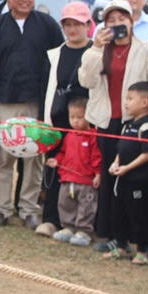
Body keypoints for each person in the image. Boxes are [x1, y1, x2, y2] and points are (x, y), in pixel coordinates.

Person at [77, 0, 148, 248]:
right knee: (109, 176)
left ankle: (140, 236)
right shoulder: (99, 49)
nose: (117, 25)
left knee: (136, 178)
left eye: (122, 20)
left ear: (132, 22)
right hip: (106, 119)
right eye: (111, 21)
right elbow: (85, 79)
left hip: (135, 121)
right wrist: (95, 49)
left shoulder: (144, 48)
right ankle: (109, 233)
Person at [0, 0, 63, 228]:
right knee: (5, 155)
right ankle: (2, 208)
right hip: (5, 99)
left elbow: (57, 59)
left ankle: (29, 209)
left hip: (37, 101)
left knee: (33, 156)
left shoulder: (47, 24)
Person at [38, 1, 94, 236]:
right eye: (68, 24)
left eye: (77, 24)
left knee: (84, 173)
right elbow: (46, 89)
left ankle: (83, 224)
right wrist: (44, 119)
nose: (72, 29)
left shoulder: (95, 52)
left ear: (88, 25)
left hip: (88, 121)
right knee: (55, 169)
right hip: (59, 120)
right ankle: (52, 219)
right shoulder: (54, 54)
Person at [106, 82, 148, 265]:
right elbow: (121, 149)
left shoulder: (147, 126)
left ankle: (143, 251)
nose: (126, 103)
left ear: (145, 102)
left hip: (139, 180)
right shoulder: (127, 125)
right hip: (122, 179)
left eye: (130, 99)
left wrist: (128, 168)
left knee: (139, 214)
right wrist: (116, 163)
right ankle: (121, 246)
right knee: (119, 212)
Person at [46, 97, 102, 245]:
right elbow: (63, 152)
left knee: (86, 206)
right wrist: (57, 161)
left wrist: (98, 173)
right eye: (72, 117)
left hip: (85, 181)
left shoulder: (93, 136)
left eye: (80, 117)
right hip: (67, 178)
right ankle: (68, 227)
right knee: (65, 203)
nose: (75, 121)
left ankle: (84, 231)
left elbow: (96, 156)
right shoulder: (69, 135)